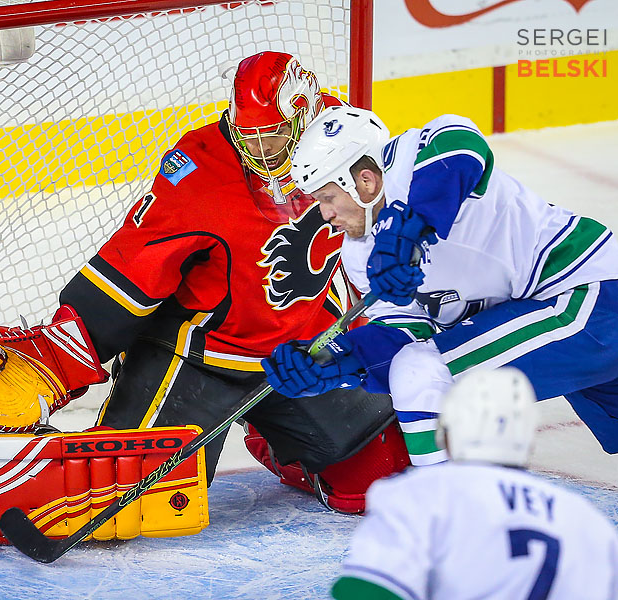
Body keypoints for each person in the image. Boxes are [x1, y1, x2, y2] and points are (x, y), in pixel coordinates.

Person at [51, 52, 411, 513]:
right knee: (125, 502)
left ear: (304, 113)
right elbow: (134, 263)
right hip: (196, 357)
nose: (260, 151)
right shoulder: (199, 167)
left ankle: (272, 435)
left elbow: (373, 229)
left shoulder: (344, 139)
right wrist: (60, 353)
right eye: (249, 137)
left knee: (380, 478)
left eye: (274, 134)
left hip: (300, 351)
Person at [263, 106, 618, 466]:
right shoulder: (359, 256)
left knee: (420, 371)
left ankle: (443, 512)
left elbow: (463, 144)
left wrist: (408, 230)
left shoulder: (411, 158)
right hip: (554, 316)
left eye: (326, 198)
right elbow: (407, 333)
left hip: (588, 295)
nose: (324, 214)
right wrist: (334, 360)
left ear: (365, 182)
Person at [331, 367, 618, 600]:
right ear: (529, 438)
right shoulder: (584, 519)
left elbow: (364, 591)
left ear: (446, 434)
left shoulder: (418, 496)